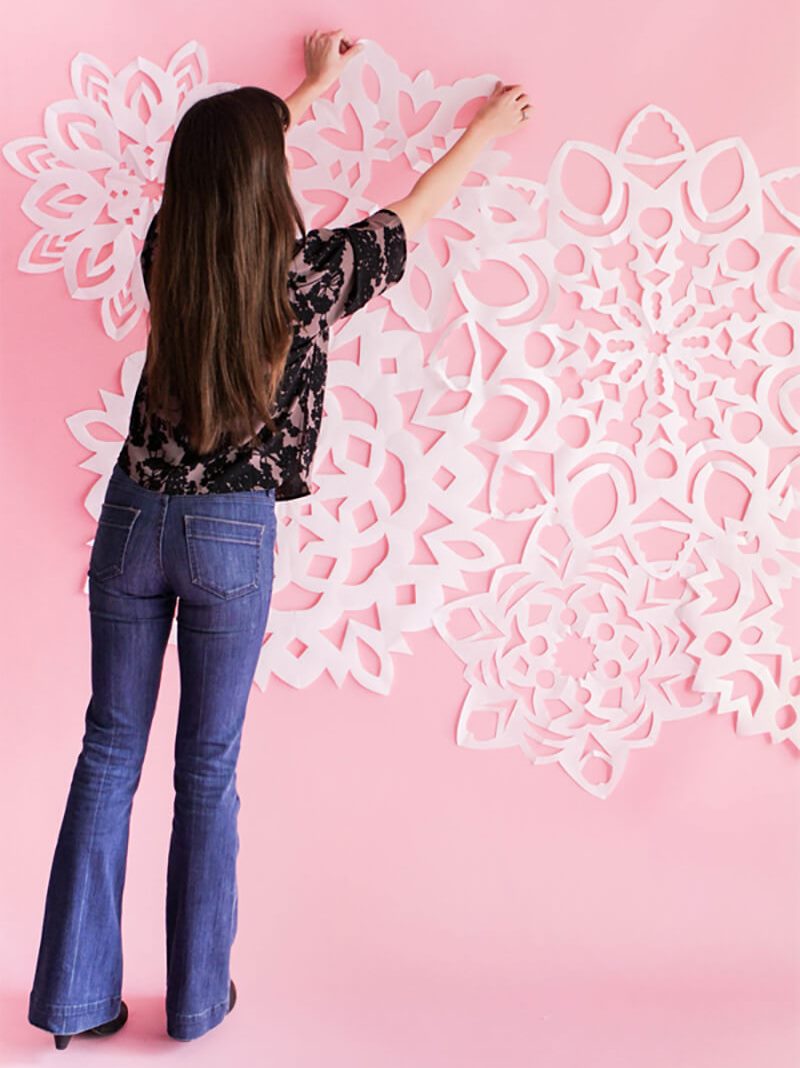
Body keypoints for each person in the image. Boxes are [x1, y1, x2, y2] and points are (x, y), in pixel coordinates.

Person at [27, 28, 531, 1048]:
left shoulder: (166, 248)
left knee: (106, 751)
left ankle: (74, 1001)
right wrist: (482, 129)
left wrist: (308, 90)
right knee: (205, 767)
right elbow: (411, 212)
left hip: (134, 514)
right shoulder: (311, 275)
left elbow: (229, 168)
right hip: (229, 531)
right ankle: (199, 1004)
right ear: (269, 178)